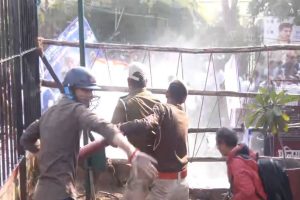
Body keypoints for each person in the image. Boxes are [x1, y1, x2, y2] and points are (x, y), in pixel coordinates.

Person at [20, 67, 158, 200]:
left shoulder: (48, 113)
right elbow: (105, 127)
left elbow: (25, 139)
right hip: (62, 193)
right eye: (85, 90)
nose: (90, 95)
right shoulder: (76, 110)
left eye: (91, 91)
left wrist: (41, 153)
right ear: (70, 89)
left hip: (41, 192)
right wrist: (132, 152)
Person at [120, 80, 189, 200]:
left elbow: (147, 122)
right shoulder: (184, 115)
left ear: (167, 93)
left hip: (164, 186)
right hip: (183, 183)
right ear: (183, 99)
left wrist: (121, 127)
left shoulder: (163, 109)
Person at [111, 62, 160, 154]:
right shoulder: (158, 101)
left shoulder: (124, 103)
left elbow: (112, 139)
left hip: (138, 158)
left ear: (128, 81)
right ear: (146, 82)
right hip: (160, 157)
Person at [215, 127, 267, 200]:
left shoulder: (237, 164)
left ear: (223, 143)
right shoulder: (241, 156)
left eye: (218, 144)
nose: (217, 148)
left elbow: (247, 191)